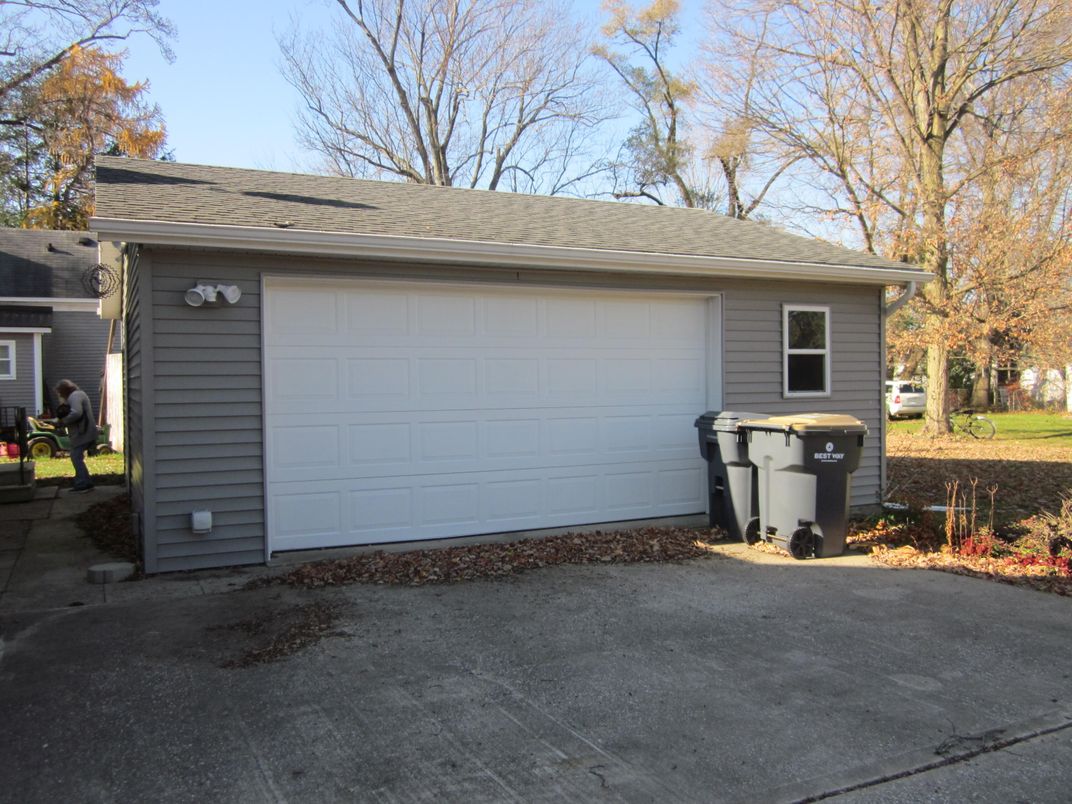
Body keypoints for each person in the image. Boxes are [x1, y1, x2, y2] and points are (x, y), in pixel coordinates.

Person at [53, 379, 99, 493]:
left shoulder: (75, 396)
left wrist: (63, 421)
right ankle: (85, 482)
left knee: (76, 457)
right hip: (83, 432)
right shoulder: (77, 395)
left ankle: (83, 484)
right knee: (76, 457)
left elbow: (76, 413)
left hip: (83, 432)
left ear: (64, 390)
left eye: (60, 392)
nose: (59, 395)